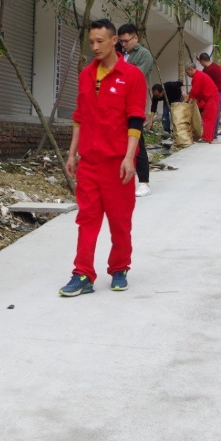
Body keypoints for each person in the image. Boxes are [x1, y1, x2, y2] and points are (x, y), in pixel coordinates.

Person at [59, 19, 146, 297]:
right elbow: (79, 117)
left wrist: (129, 157)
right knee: (87, 219)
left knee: (120, 221)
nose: (94, 47)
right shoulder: (86, 75)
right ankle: (82, 273)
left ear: (113, 42)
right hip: (89, 163)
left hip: (117, 163)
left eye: (100, 41)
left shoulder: (131, 76)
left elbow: (135, 120)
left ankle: (119, 267)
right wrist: (72, 154)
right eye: (91, 42)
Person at [118, 24, 153, 198]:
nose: (123, 44)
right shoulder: (119, 53)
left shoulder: (143, 55)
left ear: (135, 38)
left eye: (126, 41)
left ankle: (144, 182)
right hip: (117, 104)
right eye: (121, 41)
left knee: (137, 142)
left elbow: (135, 76)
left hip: (134, 104)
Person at [184, 63, 221, 144]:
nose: (188, 75)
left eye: (187, 72)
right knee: (209, 117)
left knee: (208, 117)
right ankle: (209, 137)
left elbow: (195, 92)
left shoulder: (197, 76)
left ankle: (207, 138)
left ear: (191, 69)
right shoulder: (198, 75)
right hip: (211, 97)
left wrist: (188, 100)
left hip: (212, 97)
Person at [197, 52, 221, 136]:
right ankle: (213, 134)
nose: (200, 64)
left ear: (203, 61)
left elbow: (203, 80)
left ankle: (213, 134)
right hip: (220, 92)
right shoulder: (213, 65)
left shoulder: (209, 70)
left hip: (217, 93)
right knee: (215, 113)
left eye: (200, 62)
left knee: (214, 114)